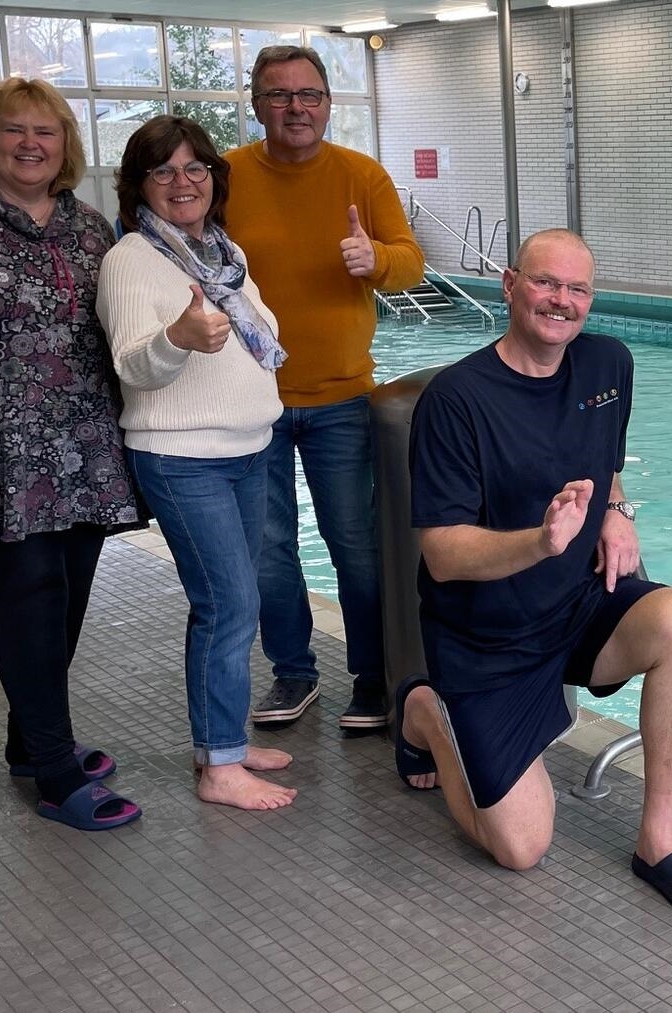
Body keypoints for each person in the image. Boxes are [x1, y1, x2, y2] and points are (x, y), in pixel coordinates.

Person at [399, 228, 672, 917]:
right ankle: (428, 711)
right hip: (488, 638)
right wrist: (541, 543)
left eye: (578, 289)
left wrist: (617, 509)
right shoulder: (456, 401)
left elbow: (604, 461)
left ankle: (658, 836)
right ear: (510, 285)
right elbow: (442, 553)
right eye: (547, 283)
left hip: (577, 604)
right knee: (520, 847)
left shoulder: (608, 365)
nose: (562, 301)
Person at [0, 78, 142, 830]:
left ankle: (28, 741)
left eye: (47, 132)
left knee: (65, 601)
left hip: (83, 445)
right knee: (29, 599)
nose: (31, 144)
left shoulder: (91, 228)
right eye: (15, 130)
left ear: (66, 144)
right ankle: (57, 775)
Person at [224, 45, 425, 731]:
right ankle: (293, 673)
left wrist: (376, 260)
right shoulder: (225, 176)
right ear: (257, 105)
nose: (295, 107)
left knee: (355, 544)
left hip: (342, 398)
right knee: (268, 548)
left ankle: (372, 676)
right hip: (251, 399)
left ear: (327, 104)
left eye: (308, 94)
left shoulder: (361, 175)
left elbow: (410, 263)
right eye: (279, 95)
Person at [97, 115, 296, 811]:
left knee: (227, 606)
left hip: (247, 452)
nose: (183, 182)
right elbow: (132, 364)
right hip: (184, 460)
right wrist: (179, 337)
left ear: (214, 177)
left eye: (196, 168)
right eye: (164, 171)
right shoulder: (130, 260)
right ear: (139, 185)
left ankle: (223, 740)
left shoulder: (218, 250)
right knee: (230, 604)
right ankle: (220, 767)